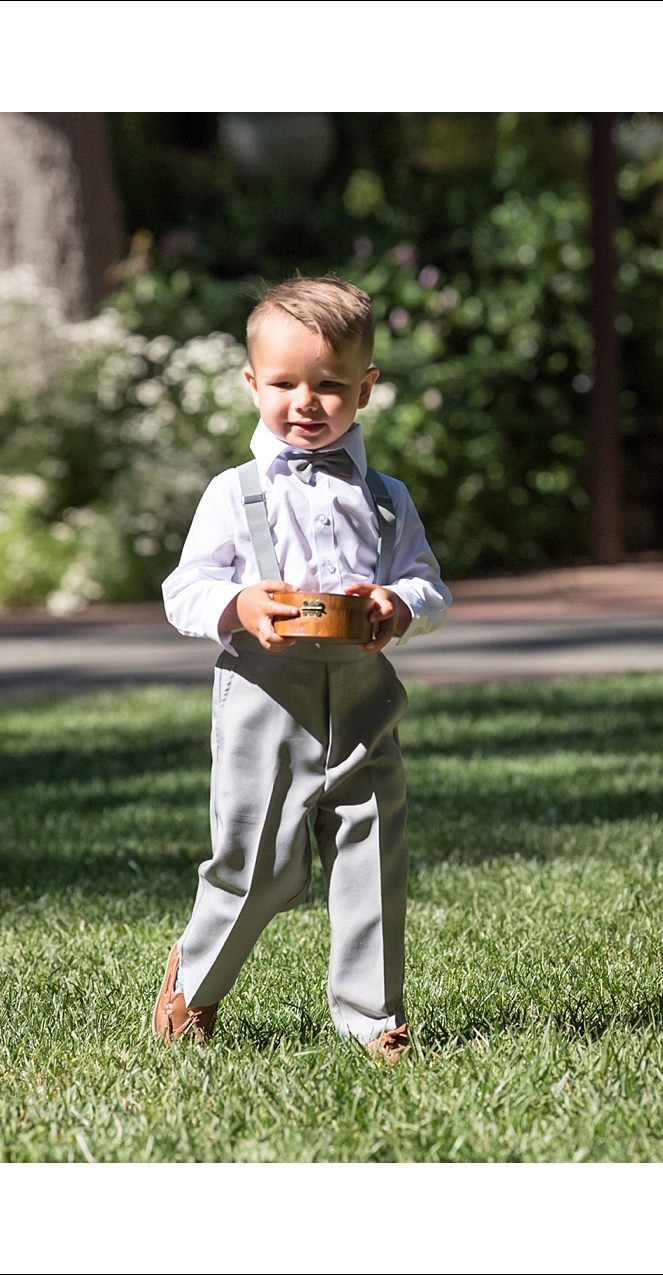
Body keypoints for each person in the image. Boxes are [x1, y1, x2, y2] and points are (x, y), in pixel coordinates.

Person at [151, 276, 451, 1061]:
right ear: (253, 384)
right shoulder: (234, 493)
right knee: (261, 863)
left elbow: (427, 580)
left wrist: (397, 604)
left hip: (361, 696)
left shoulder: (386, 498)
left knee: (370, 851)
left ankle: (372, 1017)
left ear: (366, 388)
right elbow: (184, 589)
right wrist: (241, 605)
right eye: (285, 384)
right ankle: (196, 982)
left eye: (329, 385)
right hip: (264, 695)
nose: (306, 402)